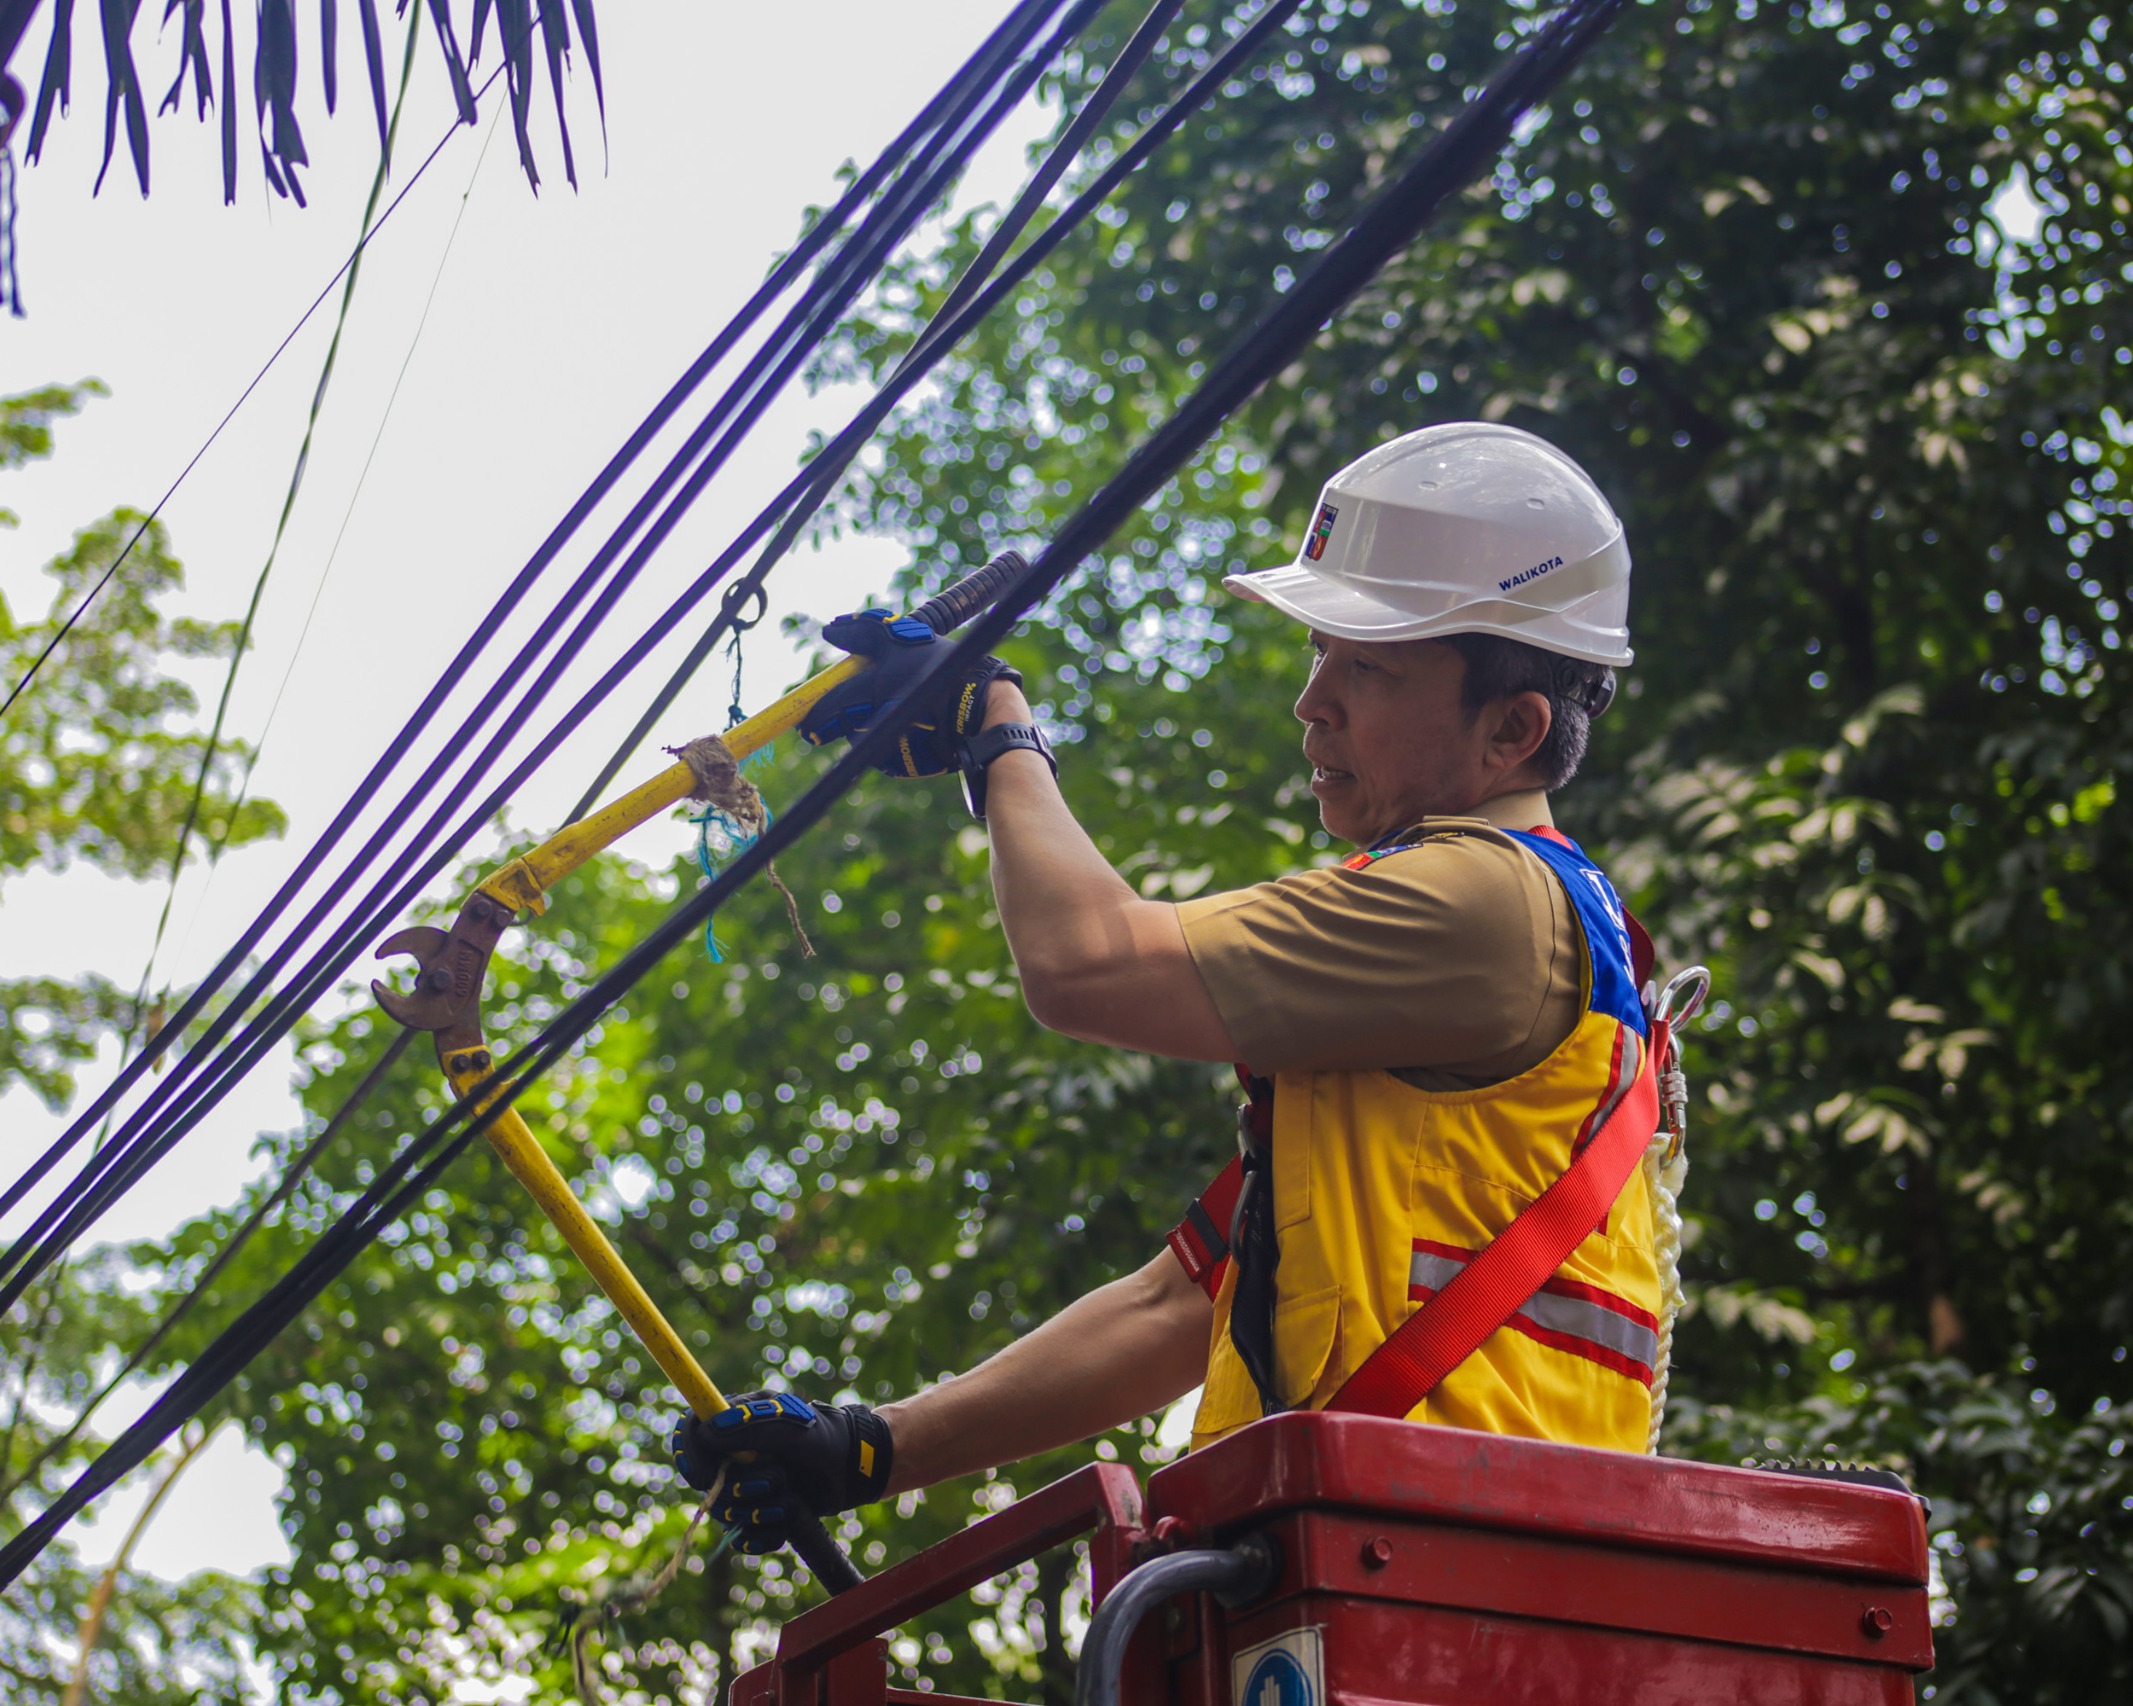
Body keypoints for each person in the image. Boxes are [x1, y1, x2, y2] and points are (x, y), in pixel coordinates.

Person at [673, 422, 1663, 1555]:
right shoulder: (1448, 990)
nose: (1313, 701)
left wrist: (995, 725)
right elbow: (1175, 1305)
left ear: (1511, 729)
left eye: (1369, 666)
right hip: (1400, 1564)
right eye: (1320, 653)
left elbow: (1086, 962)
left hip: (1446, 1565)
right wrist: (867, 1448)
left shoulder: (1485, 899)